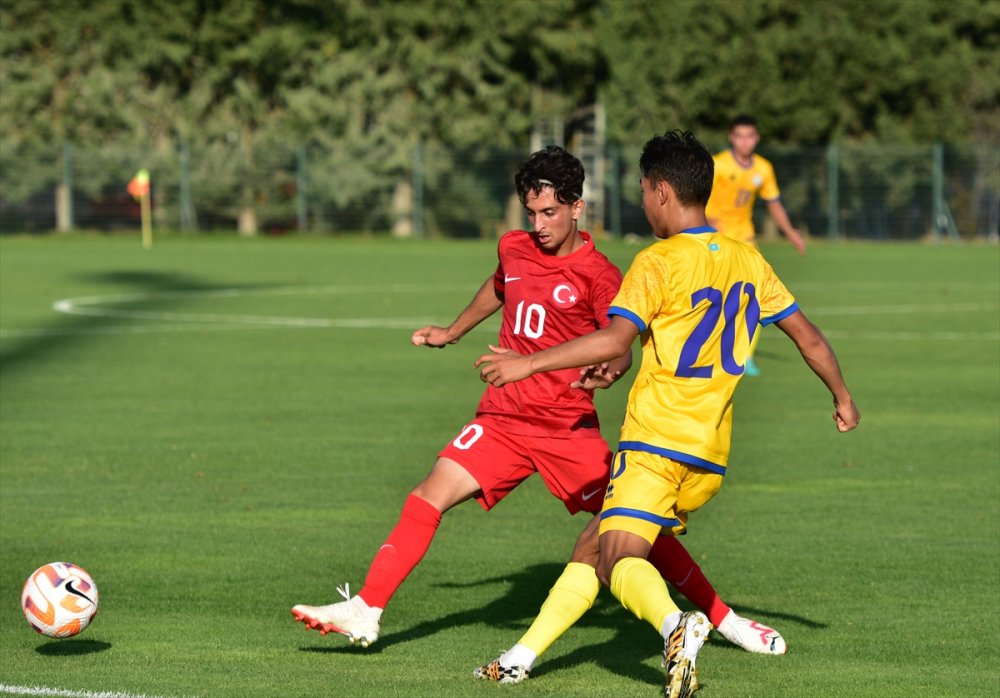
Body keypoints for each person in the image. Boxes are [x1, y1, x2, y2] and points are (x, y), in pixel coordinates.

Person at [290, 146, 787, 664]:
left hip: (567, 428)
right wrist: (453, 331)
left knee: (633, 529)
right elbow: (500, 285)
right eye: (531, 212)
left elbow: (618, 345)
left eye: (549, 212)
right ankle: (367, 609)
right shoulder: (515, 248)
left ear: (576, 207)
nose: (539, 223)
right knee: (427, 496)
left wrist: (609, 373)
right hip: (504, 419)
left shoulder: (600, 275)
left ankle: (724, 620)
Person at [476, 131, 860, 697]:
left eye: (641, 190)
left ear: (660, 191)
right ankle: (518, 659)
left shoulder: (657, 261)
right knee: (594, 544)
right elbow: (809, 338)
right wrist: (842, 397)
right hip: (708, 455)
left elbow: (614, 340)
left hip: (655, 443)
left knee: (619, 557)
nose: (641, 200)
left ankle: (676, 625)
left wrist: (529, 364)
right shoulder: (747, 258)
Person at [705, 114, 807, 376]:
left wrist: (790, 233)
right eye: (739, 136)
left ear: (756, 138)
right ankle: (706, 348)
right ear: (731, 138)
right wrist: (705, 219)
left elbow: (773, 203)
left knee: (756, 297)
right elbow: (697, 195)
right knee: (712, 297)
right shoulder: (717, 164)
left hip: (745, 240)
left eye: (749, 136)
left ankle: (744, 356)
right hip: (714, 240)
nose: (745, 142)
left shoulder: (763, 169)